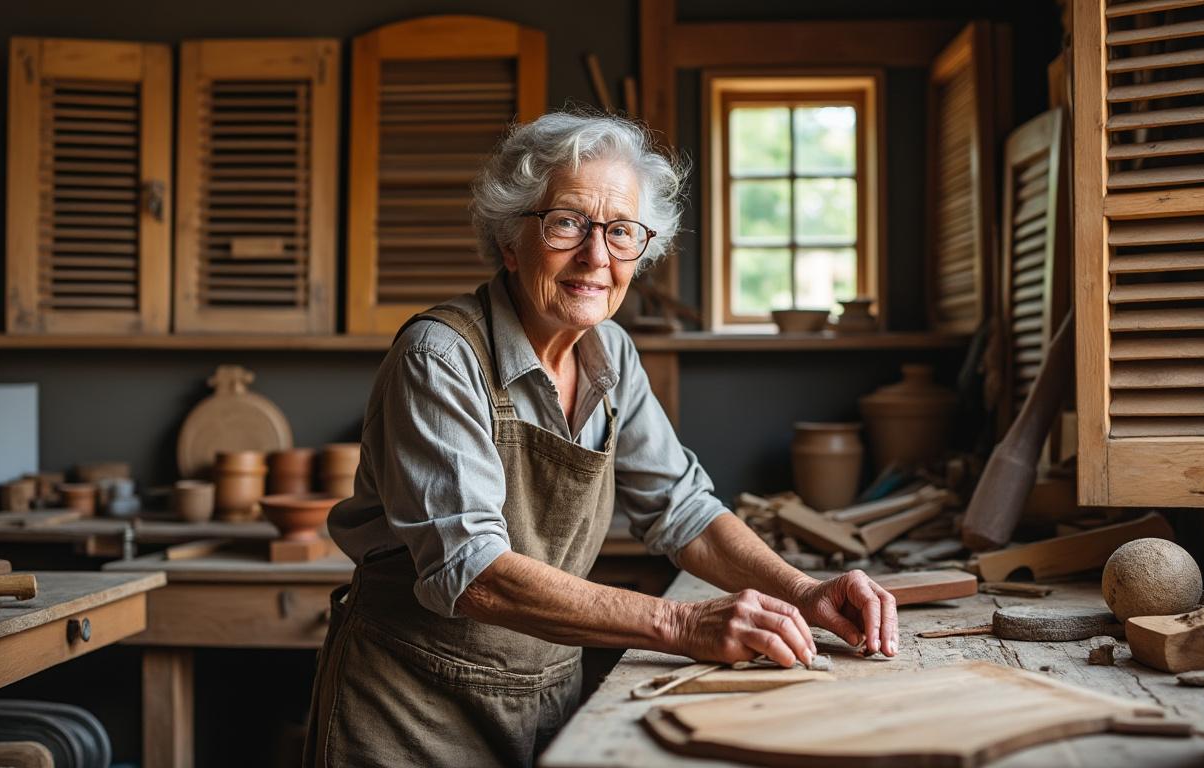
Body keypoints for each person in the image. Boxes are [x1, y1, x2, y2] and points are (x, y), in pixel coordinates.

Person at [303, 111, 898, 768]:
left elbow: (683, 511)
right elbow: (470, 572)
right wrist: (681, 623)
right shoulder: (439, 358)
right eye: (567, 224)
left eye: (621, 232)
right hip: (410, 709)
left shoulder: (608, 351)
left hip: (548, 698)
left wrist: (805, 591)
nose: (596, 256)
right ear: (510, 240)